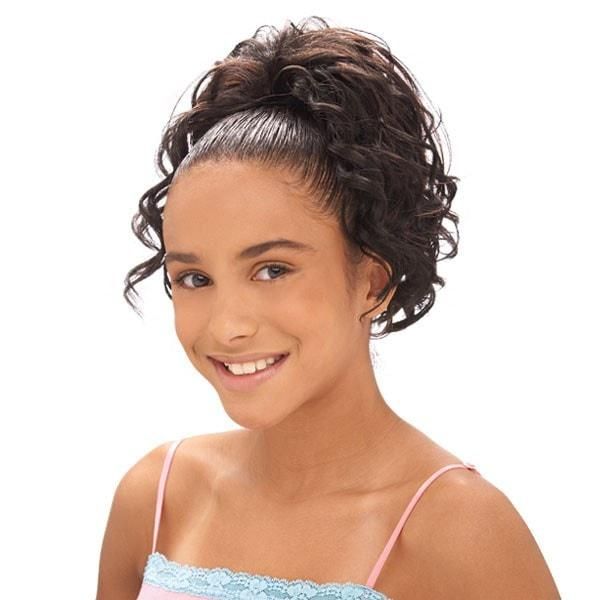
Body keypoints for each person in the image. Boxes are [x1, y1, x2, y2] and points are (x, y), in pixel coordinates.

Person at [96, 16, 561, 600]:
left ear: (372, 280)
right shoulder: (157, 499)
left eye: (272, 269)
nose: (227, 326)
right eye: (194, 278)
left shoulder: (457, 530)